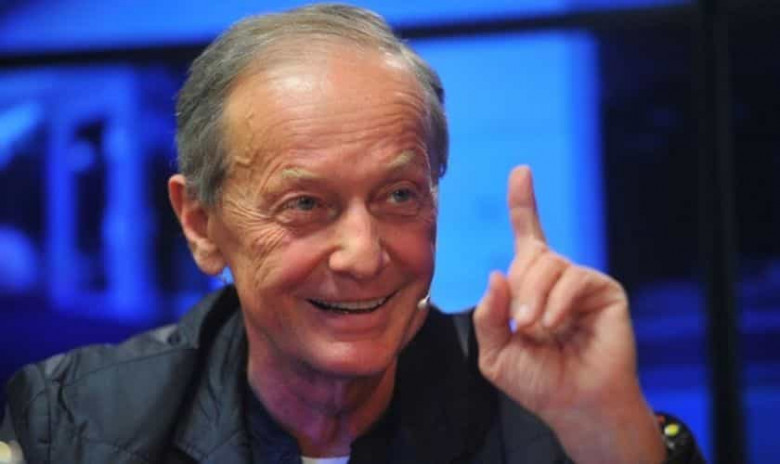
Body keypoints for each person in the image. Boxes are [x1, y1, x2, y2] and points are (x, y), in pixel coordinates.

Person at [0, 4, 704, 463]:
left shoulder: (539, 407)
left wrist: (609, 432)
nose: (365, 256)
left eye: (399, 195)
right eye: (306, 204)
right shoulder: (73, 423)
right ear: (201, 224)